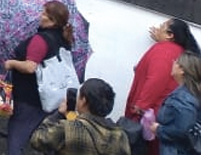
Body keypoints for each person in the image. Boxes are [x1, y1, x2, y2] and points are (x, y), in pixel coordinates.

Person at [3, 0, 77, 155]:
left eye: (44, 13)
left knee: (16, 137)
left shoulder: (41, 40)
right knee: (45, 135)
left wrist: (11, 63)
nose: (40, 15)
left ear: (53, 21)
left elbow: (30, 67)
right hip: (53, 97)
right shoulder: (64, 39)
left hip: (30, 98)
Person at [125, 18, 200, 154]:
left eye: (162, 26)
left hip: (152, 114)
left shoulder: (165, 51)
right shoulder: (175, 50)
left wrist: (141, 105)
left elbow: (156, 79)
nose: (157, 28)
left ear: (170, 35)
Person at [29, 78, 130, 155]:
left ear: (84, 100)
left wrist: (58, 114)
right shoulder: (120, 136)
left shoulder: (69, 129)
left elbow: (37, 139)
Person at [150, 52, 201, 155]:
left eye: (176, 62)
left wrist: (159, 129)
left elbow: (183, 129)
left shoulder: (184, 97)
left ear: (182, 70)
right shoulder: (188, 92)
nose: (173, 63)